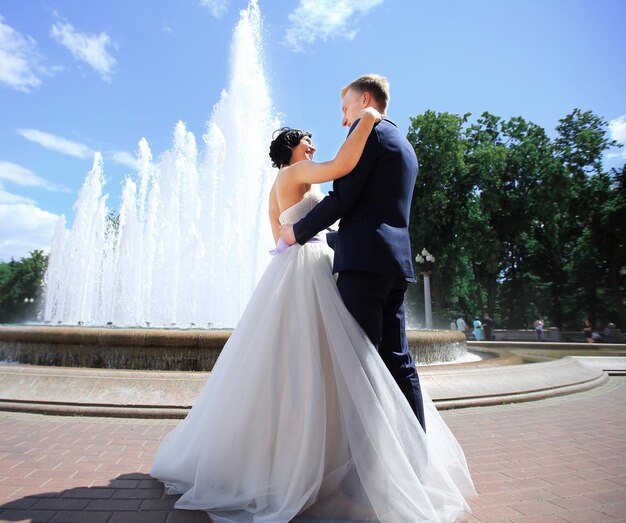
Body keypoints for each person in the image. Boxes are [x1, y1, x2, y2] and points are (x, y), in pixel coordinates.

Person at [151, 104, 475, 521]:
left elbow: (282, 238)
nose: (314, 145)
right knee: (332, 360)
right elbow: (343, 166)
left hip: (294, 268)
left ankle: (297, 459)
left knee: (299, 365)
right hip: (312, 270)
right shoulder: (295, 173)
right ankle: (336, 461)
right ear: (292, 147)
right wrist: (371, 119)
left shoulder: (277, 187)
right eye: (307, 141)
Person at [280, 74, 425, 430]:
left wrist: (295, 233)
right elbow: (375, 208)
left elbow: (343, 198)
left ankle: (369, 465)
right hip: (395, 265)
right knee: (398, 361)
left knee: (357, 364)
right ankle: (415, 452)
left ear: (364, 99)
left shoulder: (368, 132)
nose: (343, 118)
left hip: (363, 266)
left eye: (345, 108)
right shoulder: (404, 143)